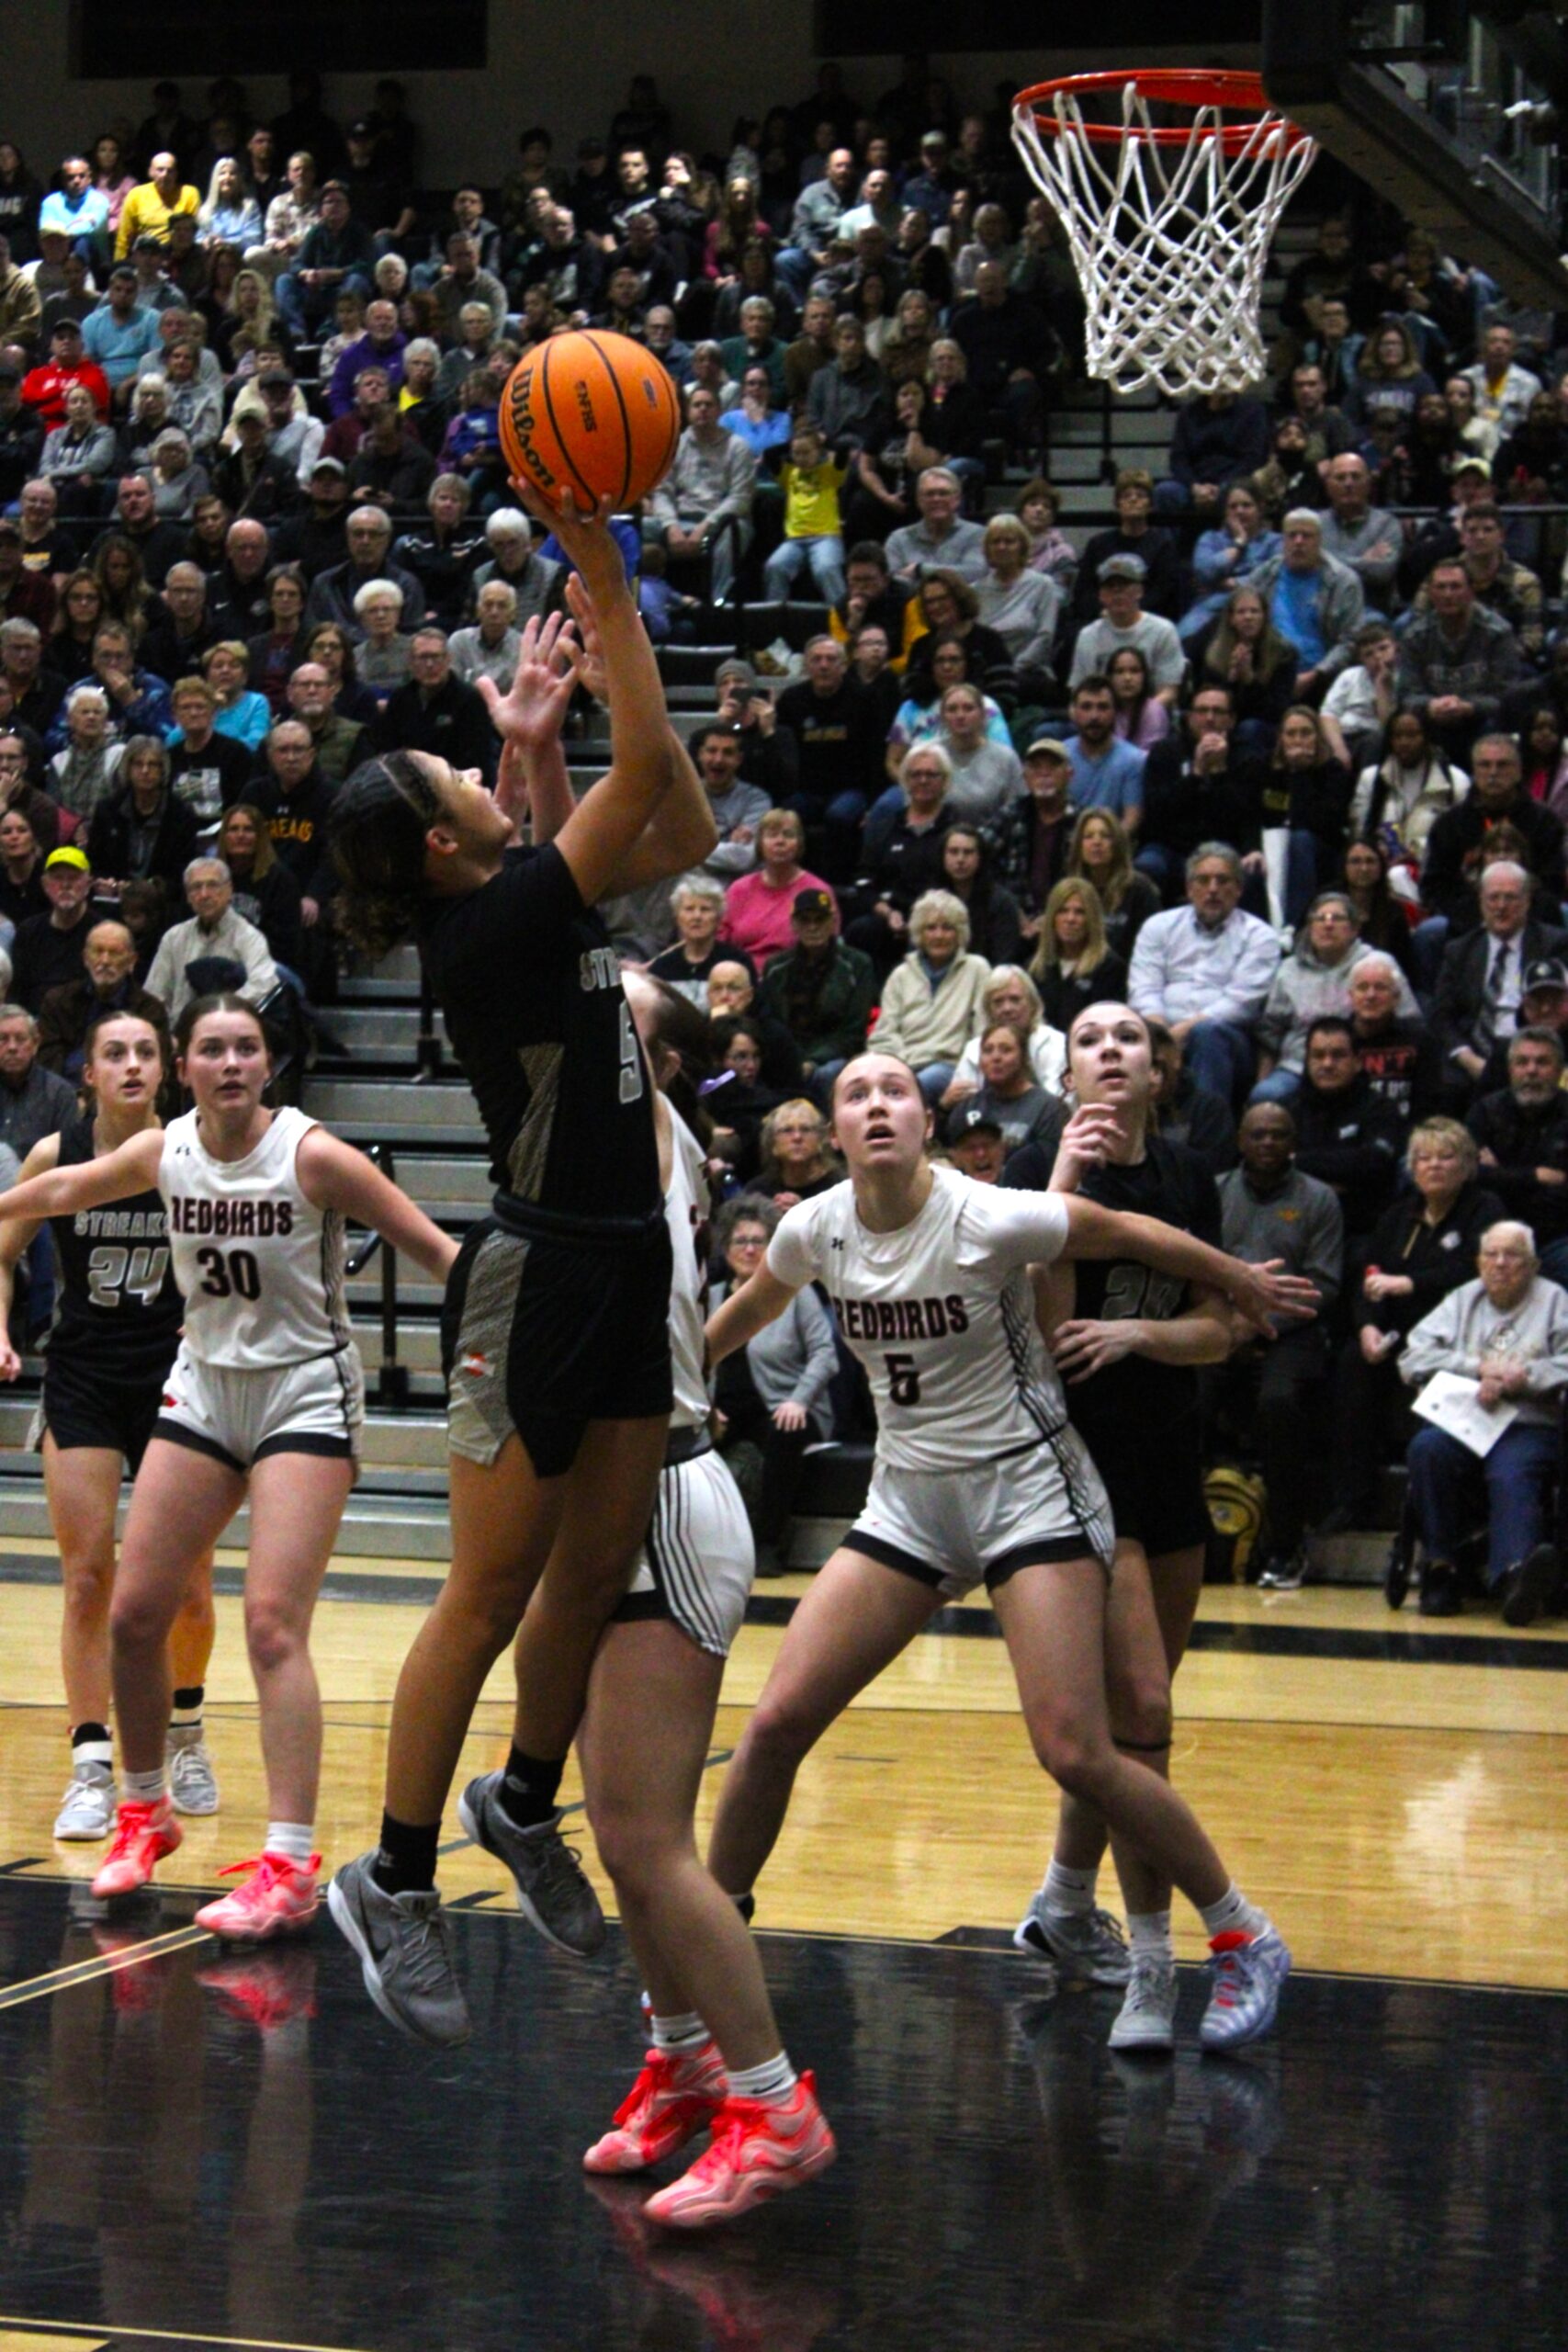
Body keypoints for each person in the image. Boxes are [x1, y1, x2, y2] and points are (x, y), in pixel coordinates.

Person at [705, 1048, 1308, 2052]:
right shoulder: (815, 1227)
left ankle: (1242, 1928)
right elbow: (753, 1309)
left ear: (924, 1122)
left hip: (1031, 1488)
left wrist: (1237, 1277)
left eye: (895, 1089)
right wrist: (679, 1367)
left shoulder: (987, 1213)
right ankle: (703, 1938)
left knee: (1076, 1748)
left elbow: (1133, 1231)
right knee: (774, 1721)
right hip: (909, 1504)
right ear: (834, 1134)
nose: (877, 1105)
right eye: (855, 1095)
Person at [325, 504, 716, 2046]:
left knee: (592, 1569)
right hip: (536, 1277)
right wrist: (611, 595)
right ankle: (397, 1878)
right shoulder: (491, 926)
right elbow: (664, 805)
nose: (491, 779)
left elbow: (617, 843)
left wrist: (539, 738)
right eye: (465, 779)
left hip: (620, 1264)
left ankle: (524, 1800)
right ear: (443, 843)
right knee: (484, 1590)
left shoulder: (517, 900)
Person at [0, 991, 455, 1925]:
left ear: (268, 1064)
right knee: (132, 1613)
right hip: (204, 1383)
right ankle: (143, 1809)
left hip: (302, 1389)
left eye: (248, 1047)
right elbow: (53, 1193)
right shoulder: (164, 1151)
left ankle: (288, 1865)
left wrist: (499, 1338)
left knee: (271, 1622)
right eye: (214, 1048)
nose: (233, 1062)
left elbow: (440, 1253)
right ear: (187, 1065)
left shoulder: (312, 1152)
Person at [1014, 1000, 1236, 2037]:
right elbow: (1037, 1323)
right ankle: (1154, 1962)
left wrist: (1141, 1334)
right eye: (1089, 1041)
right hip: (1077, 1467)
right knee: (1142, 1717)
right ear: (1070, 1075)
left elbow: (1222, 1329)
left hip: (1168, 1459)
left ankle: (1063, 1898)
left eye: (1126, 1040)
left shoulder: (1191, 1175)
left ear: (1156, 1070)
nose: (1108, 1051)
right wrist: (1059, 1178)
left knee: (1126, 1732)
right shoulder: (1038, 1157)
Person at [0, 1012, 217, 1840]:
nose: (131, 1065)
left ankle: (186, 1733)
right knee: (88, 1576)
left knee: (187, 1588)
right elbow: (6, 1247)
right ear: (87, 1074)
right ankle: (92, 1763)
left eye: (145, 1053)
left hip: (176, 1378)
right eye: (113, 1053)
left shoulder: (193, 1153)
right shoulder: (57, 1154)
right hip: (85, 1373)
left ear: (165, 1071)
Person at [1325, 1119, 1504, 1532]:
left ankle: (1442, 1516)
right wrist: (1367, 1326)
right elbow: (1369, 1277)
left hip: (1460, 1336)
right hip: (1397, 1333)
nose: (1434, 1166)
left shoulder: (1485, 1210)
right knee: (1354, 1362)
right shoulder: (1398, 1215)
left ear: (1466, 1165)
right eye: (1424, 1158)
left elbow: (1479, 1273)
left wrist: (1410, 1283)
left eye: (1445, 1157)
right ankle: (1351, 1500)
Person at [1401, 1219, 1568, 1623]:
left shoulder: (1555, 1301)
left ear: (1532, 1265)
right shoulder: (1462, 1300)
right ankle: (1441, 1570)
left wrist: (1526, 1376)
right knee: (1427, 1449)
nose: (1500, 1264)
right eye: (1491, 1255)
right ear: (1478, 1263)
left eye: (1512, 1255)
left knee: (1512, 1471)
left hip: (1528, 1422)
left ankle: (1514, 1579)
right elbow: (1412, 1357)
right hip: (1466, 1420)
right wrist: (1476, 1369)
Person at [1209, 1102, 1344, 1589]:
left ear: (1293, 1143)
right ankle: (1185, 1536)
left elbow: (1324, 1283)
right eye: (1258, 1135)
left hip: (1295, 1327)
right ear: (1242, 1140)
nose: (1268, 1143)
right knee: (1183, 1395)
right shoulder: (1215, 1191)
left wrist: (1259, 1323)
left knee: (1280, 1404)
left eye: (1278, 1135)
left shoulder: (1319, 1199)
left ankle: (1286, 1545)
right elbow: (1195, 1266)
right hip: (1220, 1322)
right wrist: (1229, 1324)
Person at [710, 1191, 837, 1582]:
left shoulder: (794, 1295)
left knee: (783, 1431)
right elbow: (686, 1360)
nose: (749, 1249)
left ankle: (768, 1545)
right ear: (726, 1247)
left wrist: (798, 1402)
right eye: (740, 1241)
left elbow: (824, 1354)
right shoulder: (709, 1297)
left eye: (758, 1241)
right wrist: (702, 1408)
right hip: (723, 1412)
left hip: (786, 1409)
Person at [868, 888, 993, 1102]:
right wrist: (901, 1068)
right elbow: (883, 1034)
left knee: (924, 1083)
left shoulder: (977, 969)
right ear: (919, 933)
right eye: (931, 928)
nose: (939, 935)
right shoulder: (901, 975)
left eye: (947, 928)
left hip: (950, 1067)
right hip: (903, 1067)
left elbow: (983, 1030)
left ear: (959, 933)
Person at [1396, 560, 1525, 765]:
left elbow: (1508, 696)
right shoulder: (1415, 636)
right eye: (1441, 587)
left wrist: (1469, 707)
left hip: (1481, 722)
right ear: (1431, 593)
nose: (1448, 594)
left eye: (1455, 586)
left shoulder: (1498, 633)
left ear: (1471, 591)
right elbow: (1407, 694)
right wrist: (1431, 705)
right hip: (1433, 721)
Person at [754, 885, 875, 1100]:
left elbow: (853, 1031)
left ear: (833, 922)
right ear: (793, 924)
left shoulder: (857, 964)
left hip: (836, 1055)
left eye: (819, 920)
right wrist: (792, 1059)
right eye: (805, 921)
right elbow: (770, 1022)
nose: (812, 927)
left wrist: (813, 1061)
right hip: (787, 1053)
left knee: (826, 1075)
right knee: (742, 1073)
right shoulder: (775, 967)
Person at [145, 855, 278, 1021]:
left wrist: (215, 1015)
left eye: (213, 885)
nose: (204, 894)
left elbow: (264, 987)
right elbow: (154, 996)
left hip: (227, 1030)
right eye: (196, 887)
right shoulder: (174, 937)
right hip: (178, 1035)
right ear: (187, 896)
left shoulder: (249, 937)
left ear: (229, 890)